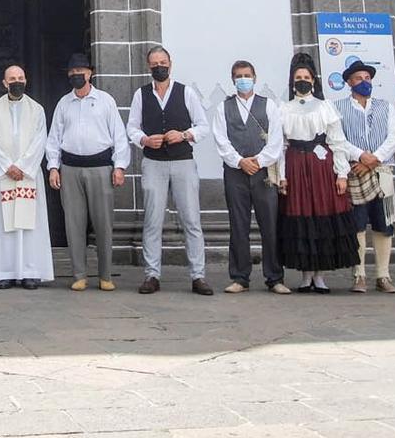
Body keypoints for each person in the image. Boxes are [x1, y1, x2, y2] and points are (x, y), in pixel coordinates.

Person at [129, 46, 213, 295]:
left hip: (183, 162)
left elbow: (203, 126)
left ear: (170, 63)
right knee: (152, 220)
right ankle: (152, 274)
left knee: (191, 220)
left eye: (162, 62)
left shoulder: (185, 92)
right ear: (148, 67)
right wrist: (144, 140)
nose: (159, 67)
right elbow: (132, 127)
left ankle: (198, 275)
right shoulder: (140, 95)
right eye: (154, 63)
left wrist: (185, 134)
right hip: (153, 163)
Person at [277, 58, 361, 291]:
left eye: (306, 78)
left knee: (321, 216)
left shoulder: (325, 107)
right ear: (292, 82)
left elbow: (338, 141)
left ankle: (320, 276)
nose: (302, 82)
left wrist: (342, 173)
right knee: (301, 217)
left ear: (313, 81)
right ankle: (305, 276)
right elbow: (280, 146)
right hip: (295, 165)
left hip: (321, 167)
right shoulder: (283, 109)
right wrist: (281, 176)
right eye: (298, 79)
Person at [46, 51, 128, 291]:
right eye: (72, 73)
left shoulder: (106, 101)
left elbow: (119, 136)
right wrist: (53, 167)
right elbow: (54, 138)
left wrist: (120, 166)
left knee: (103, 223)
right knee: (74, 223)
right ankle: (79, 274)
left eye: (80, 72)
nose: (76, 76)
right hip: (70, 168)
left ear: (90, 73)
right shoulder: (64, 103)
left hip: (100, 168)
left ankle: (105, 275)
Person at [214, 59, 286, 295]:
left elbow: (276, 141)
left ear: (255, 78)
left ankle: (274, 277)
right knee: (238, 224)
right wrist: (239, 161)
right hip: (235, 173)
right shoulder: (223, 108)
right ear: (232, 79)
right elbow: (221, 140)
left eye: (247, 75)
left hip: (263, 173)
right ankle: (239, 277)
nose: (243, 79)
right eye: (238, 76)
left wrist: (259, 161)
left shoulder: (269, 106)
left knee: (270, 224)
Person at [330, 52, 395, 293]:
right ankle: (359, 275)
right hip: (354, 172)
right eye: (358, 78)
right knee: (357, 225)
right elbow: (337, 139)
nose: (364, 81)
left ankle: (383, 275)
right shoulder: (336, 108)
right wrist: (360, 156)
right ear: (349, 82)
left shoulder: (386, 107)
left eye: (367, 77)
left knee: (384, 224)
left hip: (381, 170)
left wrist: (374, 158)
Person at [0, 64, 53, 289]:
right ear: (4, 83)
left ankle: (30, 271)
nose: (17, 81)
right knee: (3, 225)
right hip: (4, 176)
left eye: (20, 77)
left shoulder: (37, 109)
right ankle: (4, 271)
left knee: (30, 226)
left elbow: (41, 139)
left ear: (26, 80)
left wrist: (22, 166)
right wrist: (6, 166)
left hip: (27, 176)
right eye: (12, 78)